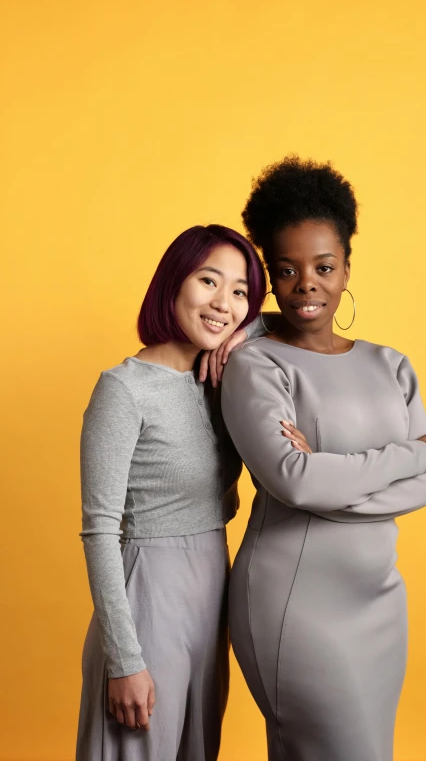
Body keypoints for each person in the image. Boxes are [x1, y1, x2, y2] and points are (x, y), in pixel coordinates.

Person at [221, 157, 426, 761]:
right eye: (287, 270)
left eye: (324, 267)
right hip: (294, 603)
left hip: (379, 600)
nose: (307, 285)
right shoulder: (256, 364)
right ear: (269, 275)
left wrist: (330, 477)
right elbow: (294, 482)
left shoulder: (389, 364)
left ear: (347, 267)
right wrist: (409, 454)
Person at [76, 224, 309, 761]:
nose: (223, 302)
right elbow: (99, 531)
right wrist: (124, 660)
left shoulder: (217, 377)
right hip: (147, 594)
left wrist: (240, 333)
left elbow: (298, 319)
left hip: (211, 590)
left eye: (239, 291)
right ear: (173, 283)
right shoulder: (124, 390)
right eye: (208, 281)